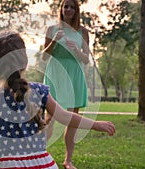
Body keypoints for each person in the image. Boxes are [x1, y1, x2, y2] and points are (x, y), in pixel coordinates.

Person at [0, 31, 115, 169]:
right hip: (43, 164)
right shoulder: (39, 91)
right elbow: (64, 116)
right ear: (24, 62)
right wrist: (94, 124)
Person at [42, 0, 91, 168]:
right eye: (65, 6)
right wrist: (54, 41)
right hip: (55, 73)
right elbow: (44, 57)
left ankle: (68, 160)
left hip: (74, 75)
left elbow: (86, 59)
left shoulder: (83, 32)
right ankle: (39, 154)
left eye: (72, 7)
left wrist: (76, 50)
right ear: (61, 9)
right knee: (49, 117)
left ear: (76, 10)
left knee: (73, 119)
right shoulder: (52, 29)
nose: (68, 9)